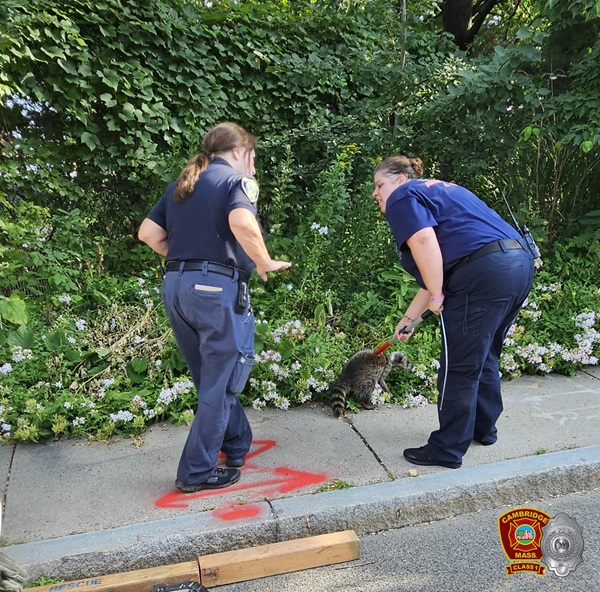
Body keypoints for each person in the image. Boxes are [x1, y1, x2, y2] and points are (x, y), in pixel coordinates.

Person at [138, 122, 292, 492]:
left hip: (176, 287)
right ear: (239, 152)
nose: (253, 168)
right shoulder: (236, 183)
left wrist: (188, 266)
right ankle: (196, 472)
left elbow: (148, 234)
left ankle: (236, 444)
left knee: (211, 379)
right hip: (215, 290)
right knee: (221, 383)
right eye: (252, 158)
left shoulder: (182, 185)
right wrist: (265, 260)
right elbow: (241, 221)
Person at [372, 155, 534, 469]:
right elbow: (439, 263)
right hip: (517, 264)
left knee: (459, 365)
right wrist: (409, 319)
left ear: (401, 180)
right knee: (483, 354)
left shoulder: (403, 196)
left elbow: (422, 241)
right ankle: (483, 429)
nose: (375, 194)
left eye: (379, 184)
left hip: (483, 274)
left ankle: (446, 449)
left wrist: (436, 295)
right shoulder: (442, 192)